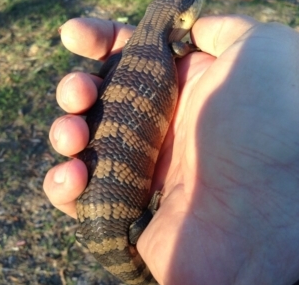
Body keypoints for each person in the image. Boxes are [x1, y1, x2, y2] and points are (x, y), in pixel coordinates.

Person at [43, 15, 299, 285]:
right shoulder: (172, 48)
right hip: (115, 226)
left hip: (102, 224)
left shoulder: (132, 50)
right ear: (181, 16)